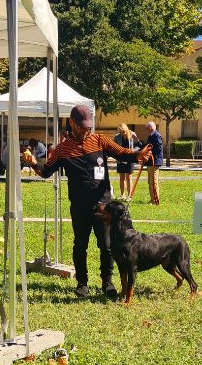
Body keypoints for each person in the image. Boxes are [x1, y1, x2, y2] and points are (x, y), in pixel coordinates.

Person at [23, 105, 150, 299]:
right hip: (80, 207)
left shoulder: (99, 141)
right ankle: (82, 283)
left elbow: (121, 152)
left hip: (103, 207)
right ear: (72, 123)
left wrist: (137, 155)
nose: (86, 130)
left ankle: (107, 282)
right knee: (80, 245)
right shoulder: (62, 149)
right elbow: (46, 171)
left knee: (106, 246)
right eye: (82, 126)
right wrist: (33, 163)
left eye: (89, 126)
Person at [115, 123, 140, 196]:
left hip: (130, 159)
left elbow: (138, 146)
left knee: (129, 177)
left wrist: (133, 150)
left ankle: (129, 195)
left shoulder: (132, 135)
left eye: (123, 132)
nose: (122, 134)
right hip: (120, 159)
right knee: (121, 177)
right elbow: (114, 146)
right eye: (120, 132)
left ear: (126, 130)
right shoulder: (117, 137)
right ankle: (122, 195)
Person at [142, 121, 164, 206]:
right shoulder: (151, 135)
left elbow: (158, 148)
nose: (146, 130)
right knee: (150, 181)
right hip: (150, 162)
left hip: (155, 162)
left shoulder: (156, 135)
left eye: (147, 128)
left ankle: (155, 200)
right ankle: (152, 199)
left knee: (154, 181)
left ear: (151, 128)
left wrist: (149, 152)